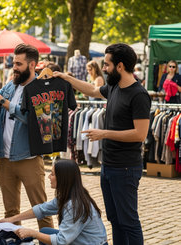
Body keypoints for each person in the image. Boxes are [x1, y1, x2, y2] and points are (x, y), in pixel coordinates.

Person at [54, 43, 150, 244]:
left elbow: (140, 134)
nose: (104, 68)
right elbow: (92, 89)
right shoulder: (114, 86)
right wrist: (66, 78)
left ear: (120, 66)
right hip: (109, 166)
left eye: (107, 64)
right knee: (115, 220)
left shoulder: (138, 94)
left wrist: (104, 133)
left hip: (125, 168)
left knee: (129, 221)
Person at [0, 43, 54, 230]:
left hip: (28, 158)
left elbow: (42, 121)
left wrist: (8, 105)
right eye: (13, 63)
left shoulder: (41, 89)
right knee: (10, 211)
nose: (14, 67)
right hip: (5, 158)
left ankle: (47, 243)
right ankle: (12, 241)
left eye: (18, 64)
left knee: (42, 210)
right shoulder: (11, 86)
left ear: (32, 65)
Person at [0, 160, 107, 245]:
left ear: (62, 178)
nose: (49, 177)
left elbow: (61, 241)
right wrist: (11, 219)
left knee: (43, 234)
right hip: (80, 241)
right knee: (45, 231)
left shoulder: (74, 205)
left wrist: (33, 233)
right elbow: (42, 209)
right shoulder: (68, 195)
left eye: (52, 174)